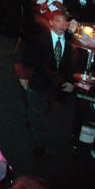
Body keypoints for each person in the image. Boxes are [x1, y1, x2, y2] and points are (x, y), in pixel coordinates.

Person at [16, 10, 76, 157]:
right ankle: (39, 145)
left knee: (44, 110)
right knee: (37, 114)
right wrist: (23, 76)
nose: (62, 25)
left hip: (53, 86)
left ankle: (32, 119)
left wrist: (69, 82)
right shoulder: (40, 40)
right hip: (37, 82)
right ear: (51, 22)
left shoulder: (68, 46)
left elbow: (68, 66)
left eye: (65, 22)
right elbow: (25, 58)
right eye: (58, 21)